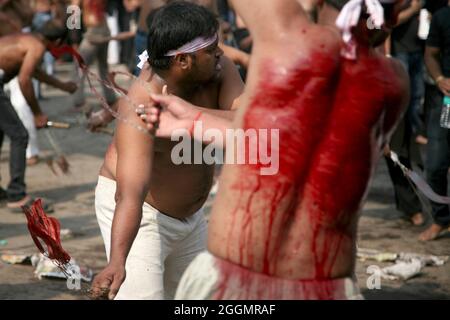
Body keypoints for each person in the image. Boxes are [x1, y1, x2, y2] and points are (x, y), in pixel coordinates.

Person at [141, 0, 409, 300]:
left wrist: (195, 121)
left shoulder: (288, 37)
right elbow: (293, 151)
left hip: (234, 281)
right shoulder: (393, 84)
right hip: (326, 283)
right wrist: (196, 121)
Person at [89, 2, 244, 300]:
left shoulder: (221, 70)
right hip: (141, 214)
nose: (221, 54)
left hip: (191, 218)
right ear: (184, 61)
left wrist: (188, 115)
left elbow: (254, 123)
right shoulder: (142, 105)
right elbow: (130, 193)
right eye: (211, 50)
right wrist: (118, 262)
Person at [0, 20, 77, 211]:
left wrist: (62, 86)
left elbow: (34, 72)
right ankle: (17, 195)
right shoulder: (37, 47)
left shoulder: (27, 39)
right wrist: (37, 114)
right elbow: (24, 80)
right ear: (57, 41)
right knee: (20, 135)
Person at [420, 0, 450, 241]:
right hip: (447, 103)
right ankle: (441, 220)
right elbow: (430, 54)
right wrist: (439, 78)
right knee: (436, 164)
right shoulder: (442, 17)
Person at [71, 0, 117, 111]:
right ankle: (110, 98)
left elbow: (73, 11)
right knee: (103, 67)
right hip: (104, 28)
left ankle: (79, 102)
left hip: (93, 32)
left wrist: (74, 40)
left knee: (78, 67)